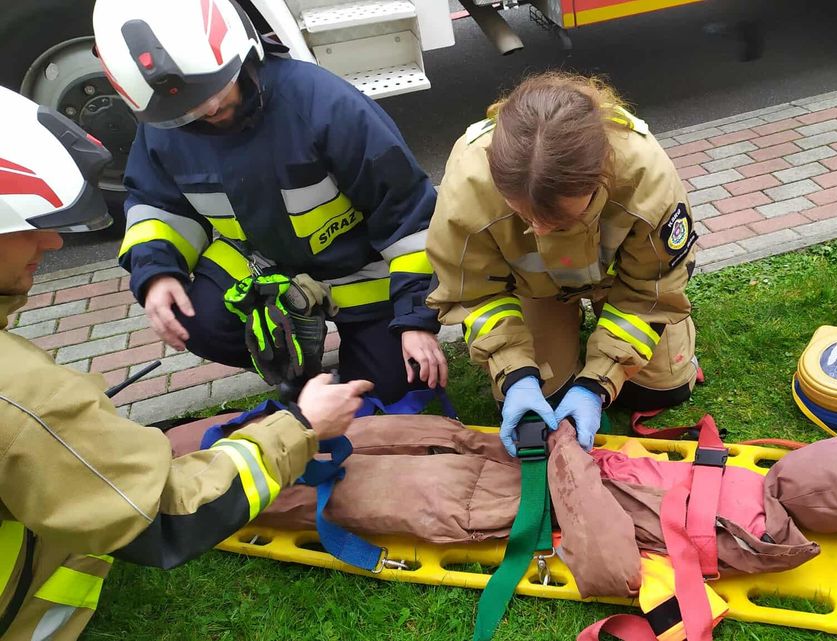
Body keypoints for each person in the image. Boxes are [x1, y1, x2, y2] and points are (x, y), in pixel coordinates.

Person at [0, 86, 371, 641]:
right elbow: (163, 513)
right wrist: (301, 426)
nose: (52, 243)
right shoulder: (21, 396)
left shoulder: (324, 111)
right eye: (26, 224)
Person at [93, 0, 447, 404]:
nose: (209, 108)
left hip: (361, 273)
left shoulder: (326, 105)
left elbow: (409, 218)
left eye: (215, 88)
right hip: (260, 266)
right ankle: (297, 366)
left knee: (398, 383)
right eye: (186, 110)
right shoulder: (162, 124)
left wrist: (415, 319)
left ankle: (354, 355)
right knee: (192, 317)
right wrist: (157, 274)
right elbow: (157, 208)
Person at [426, 72, 700, 456]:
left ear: (601, 175)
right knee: (542, 399)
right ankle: (559, 330)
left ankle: (630, 339)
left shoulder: (644, 175)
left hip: (621, 286)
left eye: (560, 222)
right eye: (524, 217)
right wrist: (516, 374)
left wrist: (596, 384)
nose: (539, 230)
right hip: (534, 289)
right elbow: (475, 294)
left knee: (660, 390)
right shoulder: (468, 188)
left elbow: (651, 290)